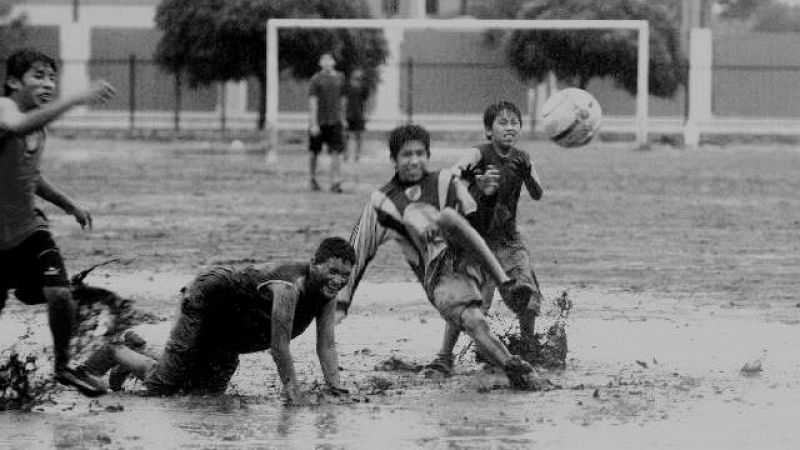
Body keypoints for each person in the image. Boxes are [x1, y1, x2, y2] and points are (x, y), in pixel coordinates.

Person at [335, 124, 536, 389]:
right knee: (474, 322)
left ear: (427, 155)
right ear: (393, 159)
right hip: (438, 274)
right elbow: (357, 250)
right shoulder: (381, 202)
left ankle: (504, 286)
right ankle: (515, 368)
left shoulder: (444, 181)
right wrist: (340, 304)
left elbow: (479, 223)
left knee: (449, 217)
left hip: (470, 256)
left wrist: (487, 197)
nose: (414, 160)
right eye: (407, 155)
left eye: (420, 153)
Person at [81, 237, 355, 405]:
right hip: (208, 298)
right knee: (161, 388)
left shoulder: (326, 294)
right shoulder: (288, 287)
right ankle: (114, 351)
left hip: (229, 330)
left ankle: (138, 352)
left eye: (344, 275)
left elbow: (327, 345)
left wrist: (337, 388)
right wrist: (293, 391)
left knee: (202, 394)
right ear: (314, 264)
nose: (338, 280)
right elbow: (279, 347)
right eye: (332, 270)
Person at [0, 48, 117, 397]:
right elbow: (16, 125)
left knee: (59, 294)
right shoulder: (6, 109)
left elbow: (29, 176)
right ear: (12, 82)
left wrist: (69, 205)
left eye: (53, 77)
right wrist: (76, 98)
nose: (48, 83)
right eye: (38, 76)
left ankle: (64, 365)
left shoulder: (39, 126)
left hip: (28, 229)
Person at [427, 101, 545, 375]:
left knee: (527, 292)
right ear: (489, 131)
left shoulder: (522, 158)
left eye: (514, 122)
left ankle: (528, 344)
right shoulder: (477, 154)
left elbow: (538, 194)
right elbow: (451, 177)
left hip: (508, 240)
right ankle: (444, 356)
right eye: (502, 122)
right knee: (470, 301)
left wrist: (530, 174)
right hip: (476, 241)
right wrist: (474, 184)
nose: (509, 127)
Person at [308, 53, 346, 193]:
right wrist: (313, 123)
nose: (327, 62)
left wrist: (343, 118)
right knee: (314, 152)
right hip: (319, 121)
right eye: (324, 60)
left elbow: (342, 100)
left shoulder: (340, 78)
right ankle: (313, 179)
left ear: (334, 62)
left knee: (336, 151)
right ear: (320, 63)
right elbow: (313, 101)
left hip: (335, 121)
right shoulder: (316, 80)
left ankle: (335, 182)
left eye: (329, 59)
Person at [344, 68, 369, 162]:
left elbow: (365, 102)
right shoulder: (347, 87)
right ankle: (346, 154)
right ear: (352, 76)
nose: (358, 78)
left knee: (359, 136)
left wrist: (365, 114)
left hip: (359, 115)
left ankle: (357, 155)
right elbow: (344, 101)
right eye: (356, 76)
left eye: (359, 77)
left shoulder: (364, 88)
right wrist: (343, 115)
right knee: (346, 136)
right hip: (348, 114)